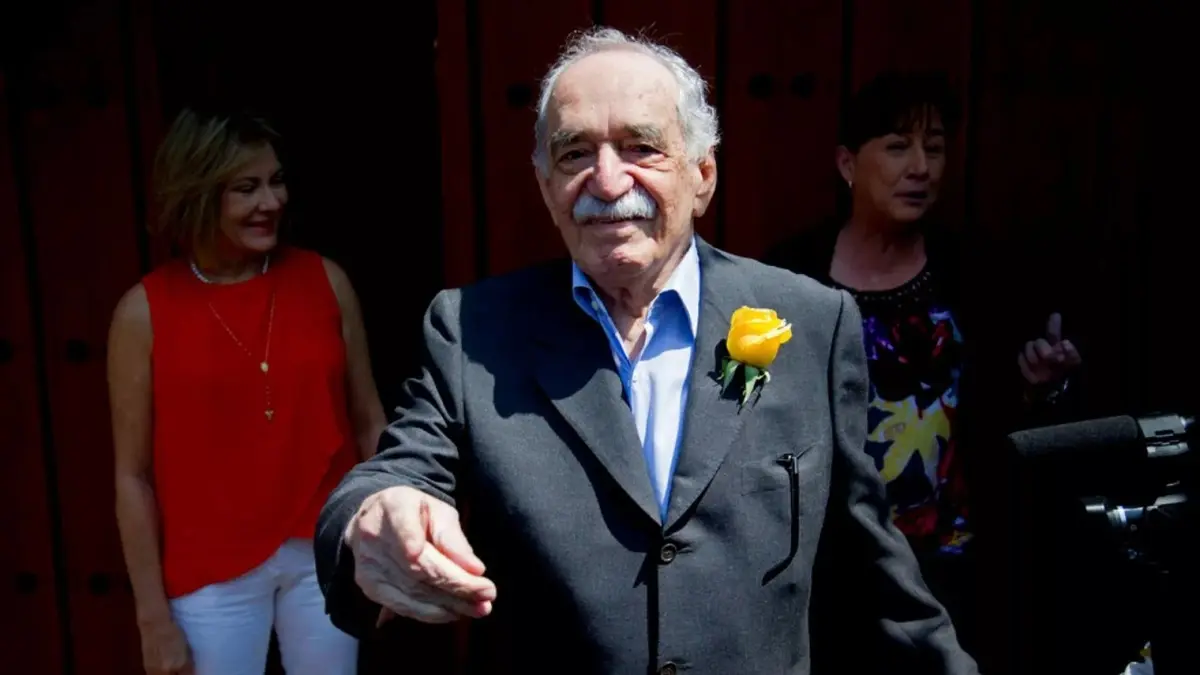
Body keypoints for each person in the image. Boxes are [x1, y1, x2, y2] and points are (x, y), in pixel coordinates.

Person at [314, 28, 976, 674]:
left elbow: (869, 563)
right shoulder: (475, 332)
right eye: (575, 153)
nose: (607, 181)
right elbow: (396, 473)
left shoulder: (811, 322)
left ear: (702, 175)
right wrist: (373, 517)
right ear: (544, 185)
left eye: (641, 148)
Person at [763, 71, 1083, 671]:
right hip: (831, 565)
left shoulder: (977, 273)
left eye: (934, 148)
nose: (920, 167)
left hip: (955, 563)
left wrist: (1043, 384)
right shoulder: (791, 277)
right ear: (847, 163)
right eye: (897, 146)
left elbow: (1013, 417)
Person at [108, 106, 386, 675]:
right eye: (246, 188)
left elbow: (369, 423)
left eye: (276, 181)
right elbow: (132, 476)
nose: (271, 201)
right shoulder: (143, 313)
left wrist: (385, 551)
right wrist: (152, 618)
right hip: (208, 572)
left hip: (323, 551)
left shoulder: (325, 281)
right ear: (197, 194)